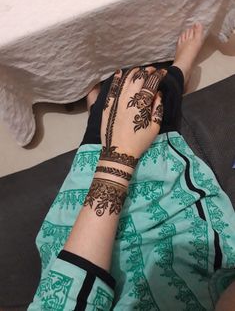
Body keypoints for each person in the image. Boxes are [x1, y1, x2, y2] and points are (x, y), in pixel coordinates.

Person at [28, 24, 235, 310]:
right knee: (151, 99)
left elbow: (65, 297)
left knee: (107, 119)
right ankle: (180, 69)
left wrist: (117, 158)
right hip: (182, 242)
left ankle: (96, 111)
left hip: (75, 241)